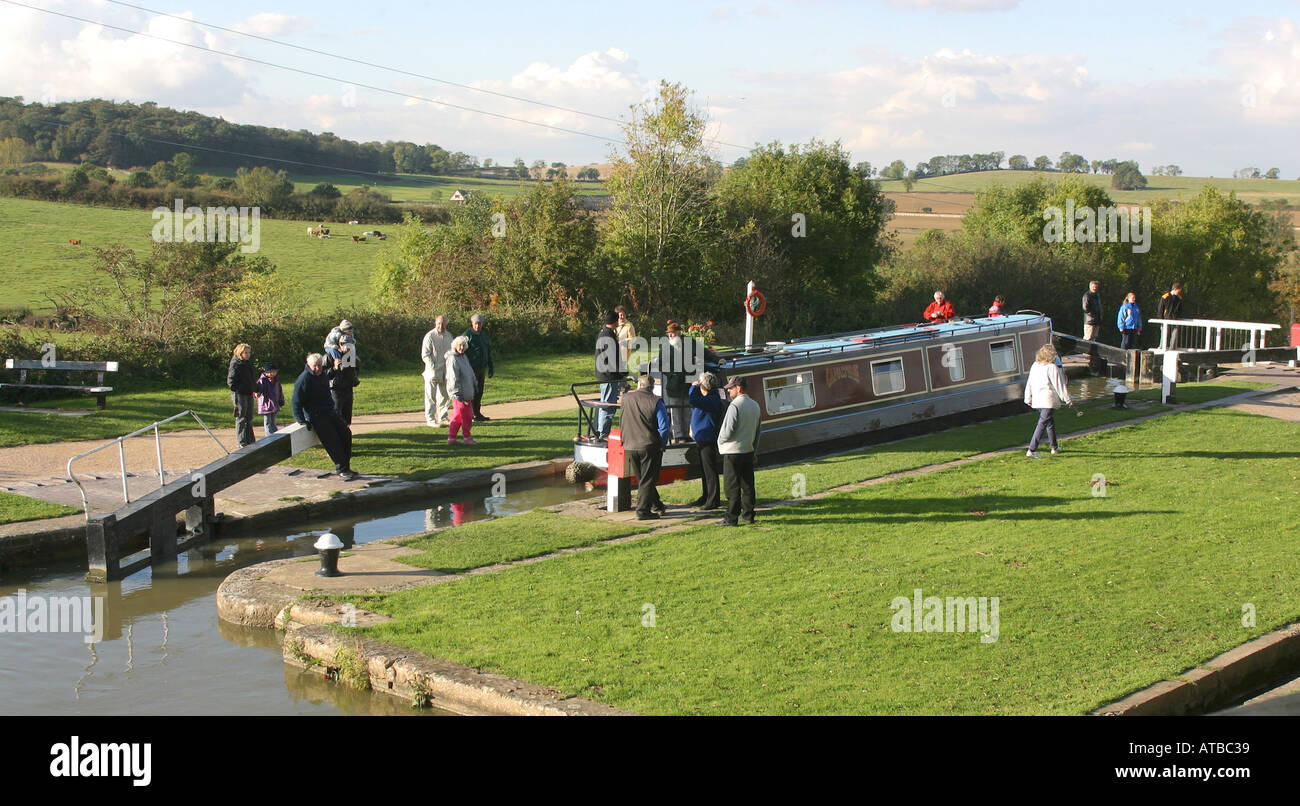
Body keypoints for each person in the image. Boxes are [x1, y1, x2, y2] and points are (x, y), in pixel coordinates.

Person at [292, 353, 357, 480]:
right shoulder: (304, 379)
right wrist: (301, 420)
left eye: (320, 366)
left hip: (329, 410)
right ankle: (342, 469)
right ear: (309, 365)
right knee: (332, 440)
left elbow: (327, 382)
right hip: (316, 415)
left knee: (345, 433)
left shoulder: (322, 374)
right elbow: (296, 401)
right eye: (314, 366)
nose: (317, 369)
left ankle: (347, 467)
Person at [620, 374, 671, 520]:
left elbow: (622, 420)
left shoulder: (626, 398)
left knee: (643, 479)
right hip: (648, 445)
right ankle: (642, 511)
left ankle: (656, 505)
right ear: (653, 387)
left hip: (630, 444)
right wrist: (661, 445)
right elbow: (664, 428)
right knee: (648, 480)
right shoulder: (656, 401)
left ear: (639, 385)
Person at [718, 375, 761, 526]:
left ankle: (731, 518)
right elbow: (757, 431)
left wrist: (720, 441)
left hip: (732, 451)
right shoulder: (755, 405)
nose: (729, 391)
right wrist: (754, 449)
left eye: (731, 388)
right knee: (748, 485)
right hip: (748, 450)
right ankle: (748, 515)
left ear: (739, 388)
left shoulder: (734, 406)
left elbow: (727, 431)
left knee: (731, 487)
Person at [1024, 343, 1074, 459]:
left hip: (1038, 399)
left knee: (1049, 423)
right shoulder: (1052, 367)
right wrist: (1068, 399)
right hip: (1048, 400)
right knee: (1042, 424)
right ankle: (1032, 449)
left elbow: (1029, 383)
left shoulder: (1035, 365)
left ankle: (1055, 447)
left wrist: (1028, 397)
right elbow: (1059, 385)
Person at [688, 372, 726, 510]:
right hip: (702, 438)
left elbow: (693, 399)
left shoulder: (712, 400)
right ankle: (706, 496)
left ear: (704, 386)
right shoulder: (709, 398)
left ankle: (713, 500)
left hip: (707, 439)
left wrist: (693, 387)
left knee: (710, 471)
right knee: (705, 470)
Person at [656, 321, 695, 442]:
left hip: (687, 385)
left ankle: (687, 435)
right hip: (673, 386)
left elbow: (703, 352)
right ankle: (678, 436)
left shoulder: (689, 343)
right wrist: (671, 374)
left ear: (679, 333)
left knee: (687, 411)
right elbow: (660, 364)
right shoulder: (666, 347)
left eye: (672, 334)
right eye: (669, 334)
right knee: (676, 413)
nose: (670, 336)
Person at [594, 311, 625, 440]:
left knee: (606, 404)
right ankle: (603, 433)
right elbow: (613, 360)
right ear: (615, 322)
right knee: (608, 405)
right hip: (609, 376)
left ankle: (602, 431)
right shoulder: (608, 336)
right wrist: (623, 374)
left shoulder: (604, 333)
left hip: (606, 375)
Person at [421, 315, 455, 427]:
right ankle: (430, 419)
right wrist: (433, 367)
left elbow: (451, 353)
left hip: (445, 371)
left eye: (443, 323)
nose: (441, 326)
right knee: (431, 396)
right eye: (439, 323)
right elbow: (425, 355)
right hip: (432, 371)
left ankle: (443, 417)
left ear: (446, 324)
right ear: (435, 323)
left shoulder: (449, 336)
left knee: (444, 395)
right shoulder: (430, 336)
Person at [445, 335, 479, 445]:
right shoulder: (453, 359)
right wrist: (456, 393)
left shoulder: (463, 356)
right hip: (460, 394)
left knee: (459, 416)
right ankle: (466, 437)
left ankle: (452, 438)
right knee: (466, 416)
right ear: (455, 345)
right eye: (460, 345)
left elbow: (470, 372)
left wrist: (475, 384)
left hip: (467, 392)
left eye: (464, 345)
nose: (462, 347)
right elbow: (453, 378)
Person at [463, 313, 494, 422]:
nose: (477, 326)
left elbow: (488, 350)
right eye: (476, 324)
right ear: (472, 323)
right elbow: (460, 350)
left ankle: (477, 412)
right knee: (472, 391)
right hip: (471, 368)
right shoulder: (467, 335)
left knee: (479, 391)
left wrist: (490, 365)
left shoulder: (484, 335)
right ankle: (470, 413)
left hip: (482, 367)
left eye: (479, 324)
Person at [227, 343, 257, 448]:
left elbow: (252, 378)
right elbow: (231, 381)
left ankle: (250, 439)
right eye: (246, 352)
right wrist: (237, 389)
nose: (248, 354)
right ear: (240, 353)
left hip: (249, 393)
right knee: (241, 417)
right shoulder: (235, 363)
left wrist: (255, 388)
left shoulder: (248, 363)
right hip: (239, 394)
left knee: (249, 417)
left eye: (249, 352)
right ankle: (241, 441)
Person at [328, 334, 360, 425]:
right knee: (336, 412)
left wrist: (357, 362)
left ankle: (346, 432)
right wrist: (334, 368)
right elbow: (325, 375)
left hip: (348, 388)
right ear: (340, 345)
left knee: (347, 413)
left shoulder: (352, 356)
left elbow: (356, 371)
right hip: (336, 389)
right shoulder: (331, 356)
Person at [253, 362, 285, 439]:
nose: (272, 374)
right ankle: (269, 436)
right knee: (267, 421)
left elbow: (280, 391)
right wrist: (257, 393)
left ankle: (274, 434)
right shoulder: (262, 380)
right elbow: (258, 389)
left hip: (274, 403)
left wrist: (281, 400)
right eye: (270, 372)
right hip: (266, 404)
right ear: (266, 372)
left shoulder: (277, 381)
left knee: (273, 420)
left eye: (274, 372)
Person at [1156, 282, 1185, 349]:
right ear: (1175, 289)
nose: (1179, 292)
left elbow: (1180, 310)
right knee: (1164, 332)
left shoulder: (1179, 298)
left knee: (1175, 332)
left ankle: (1172, 348)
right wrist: (1161, 319)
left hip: (1174, 319)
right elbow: (1160, 309)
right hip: (1166, 318)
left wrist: (1179, 317)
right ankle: (1161, 346)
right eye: (1179, 290)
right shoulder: (1165, 297)